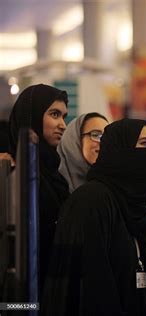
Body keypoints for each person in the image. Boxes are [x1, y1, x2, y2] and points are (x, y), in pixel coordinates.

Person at [42, 119, 146, 315]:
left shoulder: (137, 205)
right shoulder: (91, 200)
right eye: (144, 144)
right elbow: (90, 285)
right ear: (120, 150)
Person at [8, 83, 70, 291]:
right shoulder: (12, 174)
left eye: (64, 116)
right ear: (32, 115)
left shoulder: (55, 177)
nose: (62, 124)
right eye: (54, 114)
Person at [57, 112, 109, 192]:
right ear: (74, 141)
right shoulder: (51, 185)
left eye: (107, 136)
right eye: (95, 135)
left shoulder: (111, 187)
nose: (103, 142)